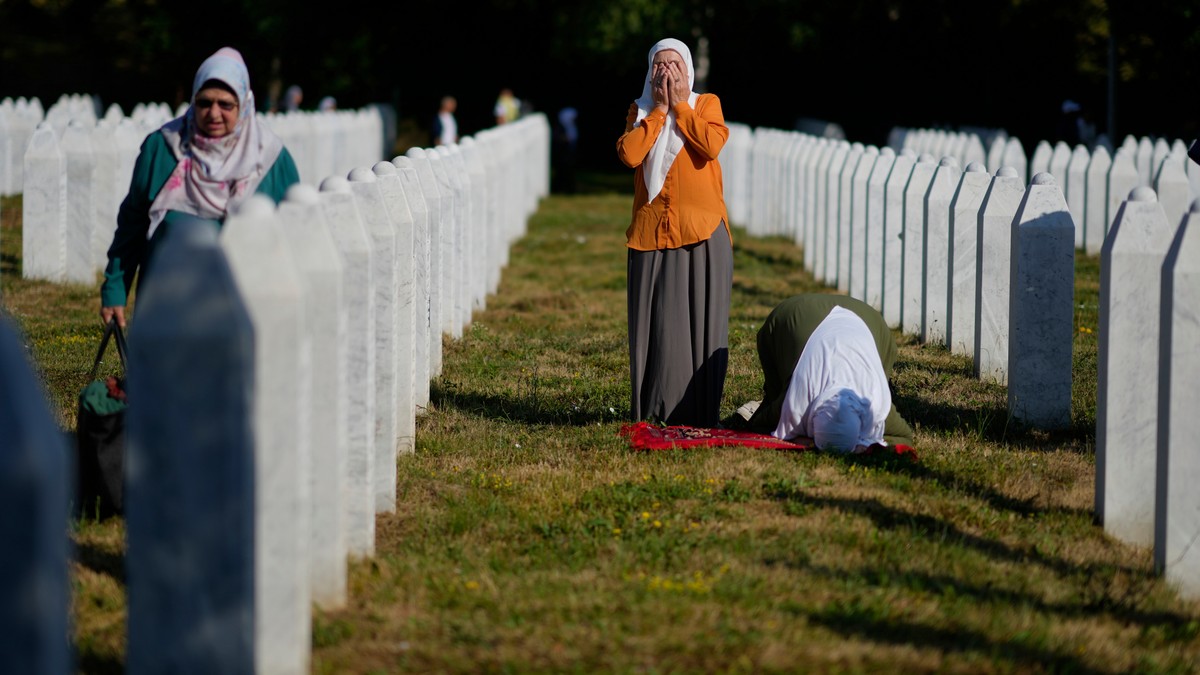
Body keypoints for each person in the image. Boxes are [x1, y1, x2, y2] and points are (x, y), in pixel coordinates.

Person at [99, 47, 301, 328]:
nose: (213, 114)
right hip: (166, 305)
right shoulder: (162, 148)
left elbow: (294, 237)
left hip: (244, 308)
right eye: (204, 102)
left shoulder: (270, 160)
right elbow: (133, 223)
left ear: (244, 104)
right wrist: (115, 289)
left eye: (226, 104)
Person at [616, 37, 732, 428]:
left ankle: (700, 411)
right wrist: (659, 110)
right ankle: (655, 410)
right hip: (651, 234)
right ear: (648, 72)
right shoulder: (640, 110)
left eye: (674, 65)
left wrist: (680, 105)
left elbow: (712, 144)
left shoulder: (706, 104)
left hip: (702, 230)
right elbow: (630, 154)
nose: (666, 72)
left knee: (702, 324)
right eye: (659, 65)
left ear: (688, 70)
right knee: (659, 325)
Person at [744, 294, 915, 451]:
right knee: (776, 394)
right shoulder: (795, 406)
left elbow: (904, 438)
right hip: (797, 315)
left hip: (868, 317)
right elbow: (758, 426)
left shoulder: (877, 407)